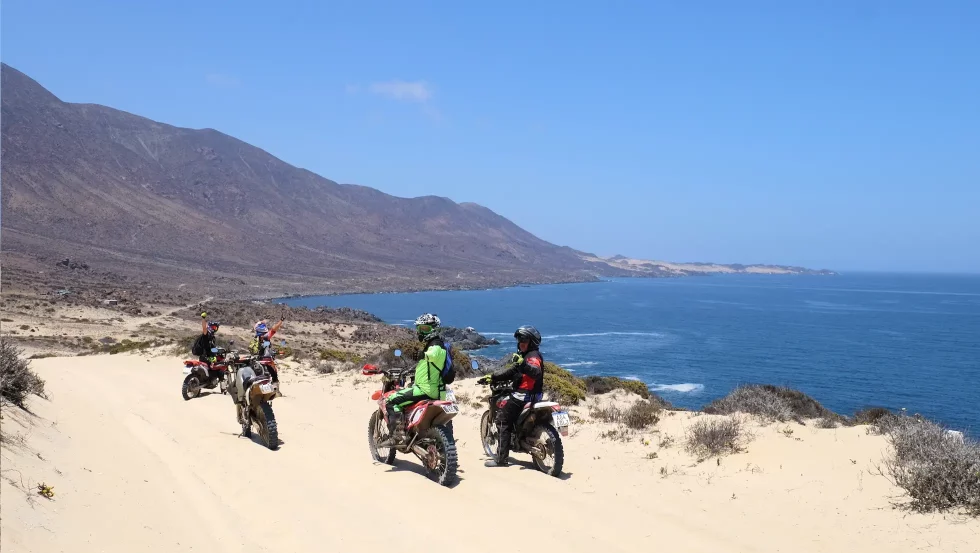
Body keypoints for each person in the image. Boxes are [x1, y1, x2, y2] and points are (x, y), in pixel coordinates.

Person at [478, 325, 544, 467]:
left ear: (532, 342)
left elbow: (536, 372)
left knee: (502, 420)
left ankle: (501, 459)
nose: (520, 343)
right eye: (519, 340)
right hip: (535, 396)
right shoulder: (526, 356)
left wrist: (523, 364)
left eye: (524, 340)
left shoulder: (532, 357)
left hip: (524, 396)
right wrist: (493, 377)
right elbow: (511, 372)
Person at [379, 313, 447, 445]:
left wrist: (423, 354)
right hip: (437, 390)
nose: (421, 332)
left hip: (425, 390)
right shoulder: (435, 345)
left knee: (391, 401)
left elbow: (434, 354)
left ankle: (397, 436)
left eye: (425, 329)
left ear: (434, 329)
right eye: (419, 328)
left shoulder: (436, 346)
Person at [250, 316, 285, 384]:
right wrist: (281, 321)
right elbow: (274, 329)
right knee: (274, 375)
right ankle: (274, 383)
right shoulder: (266, 336)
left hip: (257, 360)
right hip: (266, 360)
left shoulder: (256, 338)